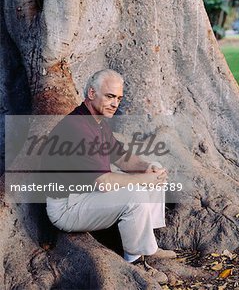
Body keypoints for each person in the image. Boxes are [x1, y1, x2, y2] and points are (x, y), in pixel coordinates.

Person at [43, 69, 174, 283]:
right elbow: (103, 182)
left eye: (119, 98)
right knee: (135, 194)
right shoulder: (77, 128)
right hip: (68, 207)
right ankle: (135, 263)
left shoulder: (97, 121)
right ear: (92, 93)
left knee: (153, 169)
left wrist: (147, 167)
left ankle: (147, 244)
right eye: (110, 96)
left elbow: (121, 157)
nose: (115, 104)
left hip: (87, 194)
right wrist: (142, 180)